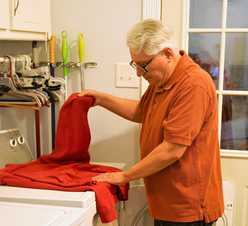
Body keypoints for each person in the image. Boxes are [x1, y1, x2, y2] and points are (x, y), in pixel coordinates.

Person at [78, 19, 224, 226]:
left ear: (167, 54)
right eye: (135, 64)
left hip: (187, 207)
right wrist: (101, 99)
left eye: (142, 65)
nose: (138, 73)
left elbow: (172, 149)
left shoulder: (193, 85)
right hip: (167, 200)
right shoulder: (162, 79)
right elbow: (142, 112)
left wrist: (123, 177)